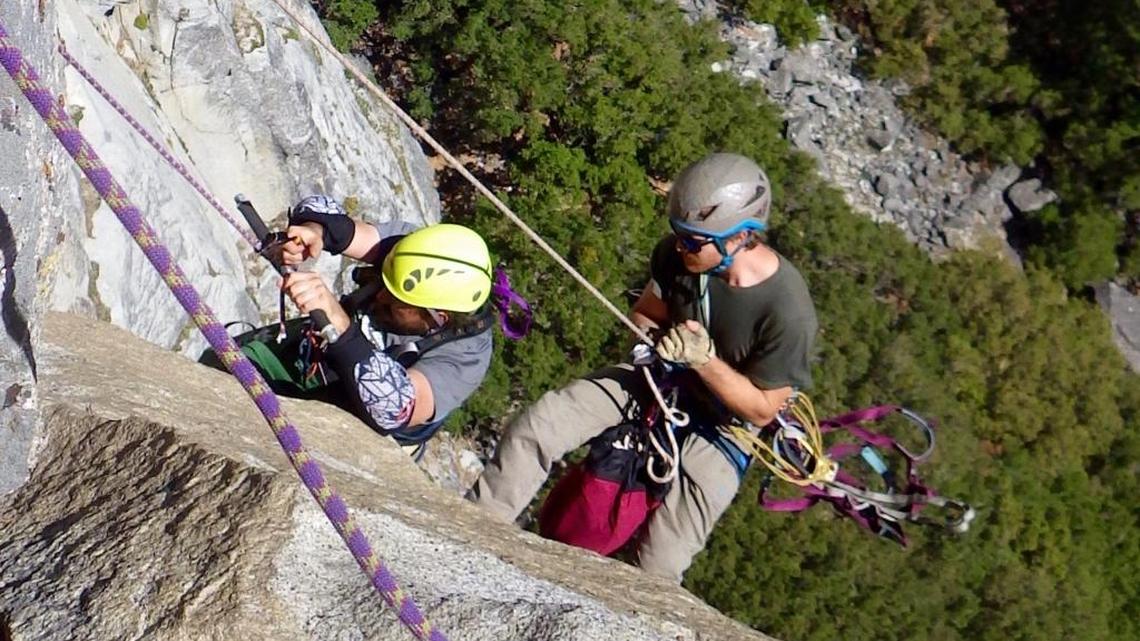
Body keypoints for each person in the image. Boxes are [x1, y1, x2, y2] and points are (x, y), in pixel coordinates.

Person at [469, 153, 818, 582]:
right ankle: (473, 532)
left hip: (724, 430)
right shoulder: (677, 259)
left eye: (693, 241)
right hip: (659, 380)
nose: (680, 247)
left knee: (660, 564)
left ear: (740, 238)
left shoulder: (787, 311)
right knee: (539, 426)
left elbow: (764, 409)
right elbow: (646, 313)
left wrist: (704, 362)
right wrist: (657, 341)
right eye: (678, 235)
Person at [202, 195, 502, 451]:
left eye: (396, 301)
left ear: (438, 318)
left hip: (356, 423)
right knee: (218, 365)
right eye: (382, 281)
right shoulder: (414, 252)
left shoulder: (466, 356)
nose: (380, 297)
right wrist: (312, 231)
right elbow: (331, 219)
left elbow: (396, 407)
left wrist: (339, 322)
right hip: (315, 355)